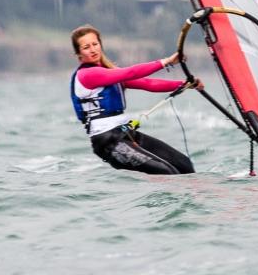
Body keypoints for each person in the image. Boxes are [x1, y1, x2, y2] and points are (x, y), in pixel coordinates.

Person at [70, 24, 203, 175]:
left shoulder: (109, 73)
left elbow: (148, 83)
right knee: (167, 172)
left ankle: (197, 195)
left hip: (125, 133)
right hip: (108, 143)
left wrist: (185, 84)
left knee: (183, 164)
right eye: (86, 47)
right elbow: (131, 73)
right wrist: (165, 62)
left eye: (95, 44)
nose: (93, 49)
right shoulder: (87, 75)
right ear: (79, 54)